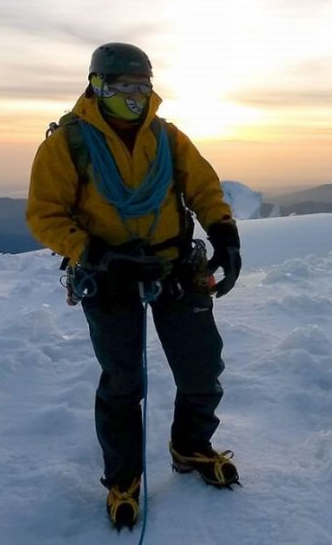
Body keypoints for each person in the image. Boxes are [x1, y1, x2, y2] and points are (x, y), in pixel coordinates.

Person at [26, 42, 242, 530]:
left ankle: (190, 446)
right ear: (98, 86)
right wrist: (96, 254)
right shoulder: (68, 144)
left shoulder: (167, 137)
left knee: (202, 367)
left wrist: (225, 236)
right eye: (124, 86)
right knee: (124, 382)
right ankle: (123, 478)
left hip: (173, 266)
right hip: (108, 275)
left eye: (142, 86)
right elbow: (45, 215)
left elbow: (203, 188)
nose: (135, 95)